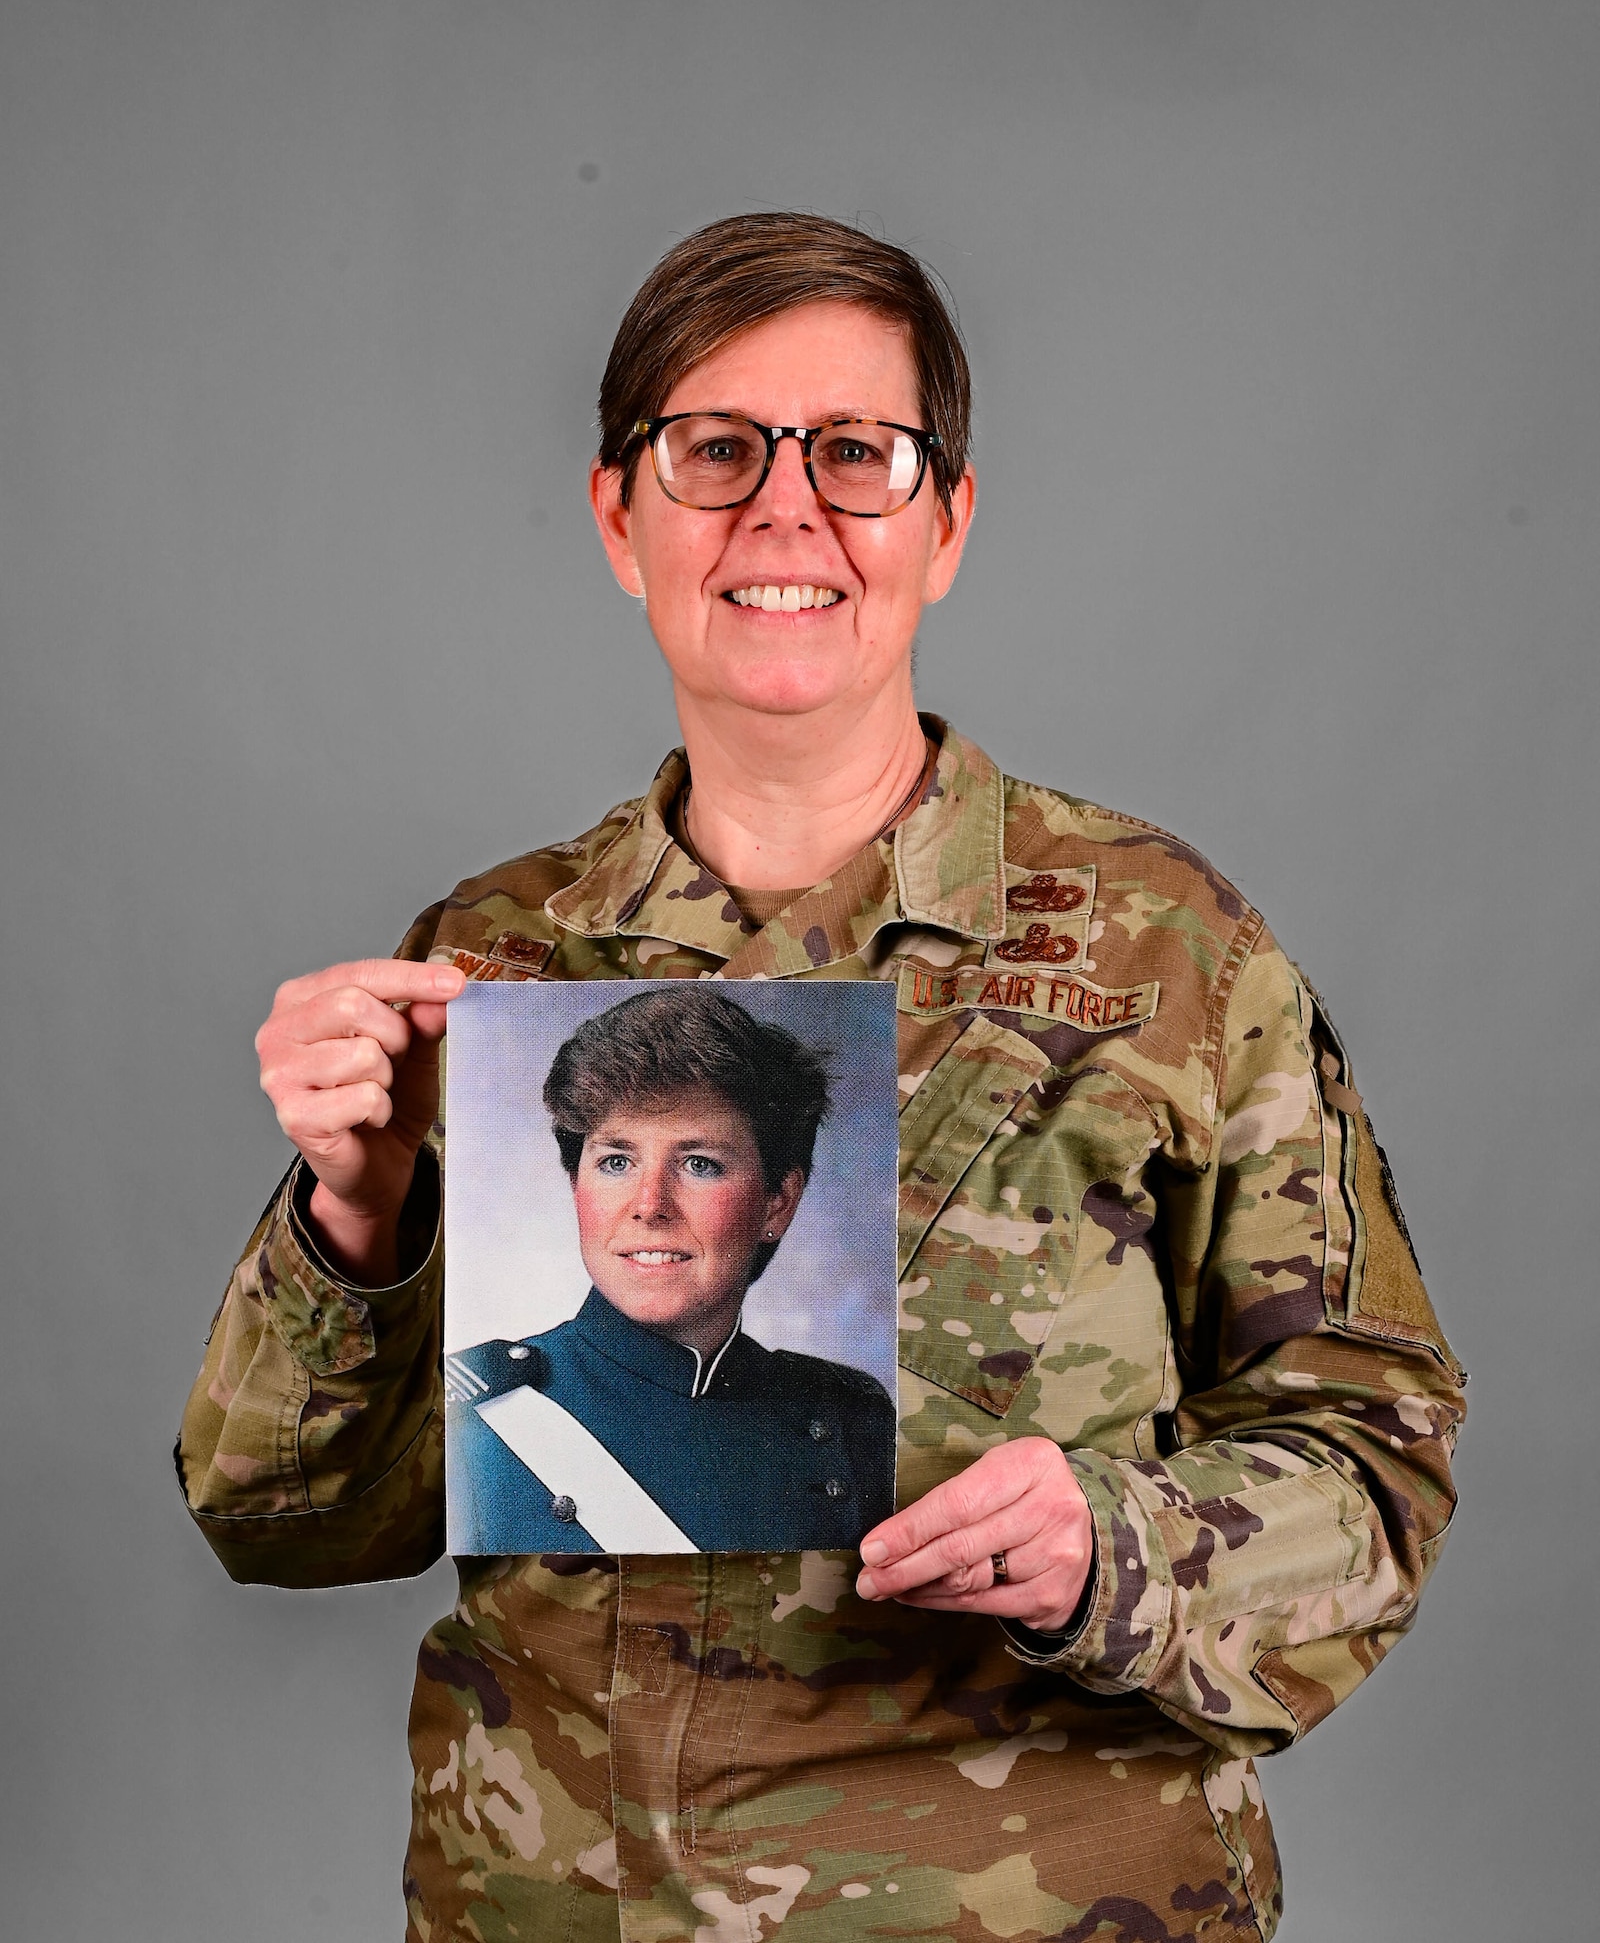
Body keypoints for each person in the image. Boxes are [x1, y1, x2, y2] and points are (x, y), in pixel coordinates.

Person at [179, 211, 1465, 1943]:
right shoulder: (484, 958)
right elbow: (284, 1520)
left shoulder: (1173, 957)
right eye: (716, 451)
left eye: (857, 455)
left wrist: (1119, 1545)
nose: (787, 511)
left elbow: (1374, 1466)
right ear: (618, 518)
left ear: (947, 522)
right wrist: (355, 1217)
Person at [445, 985, 896, 1554]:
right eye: (616, 1161)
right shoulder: (473, 1413)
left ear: (777, 1202)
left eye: (699, 1164)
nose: (648, 1203)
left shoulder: (851, 1418)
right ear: (576, 1184)